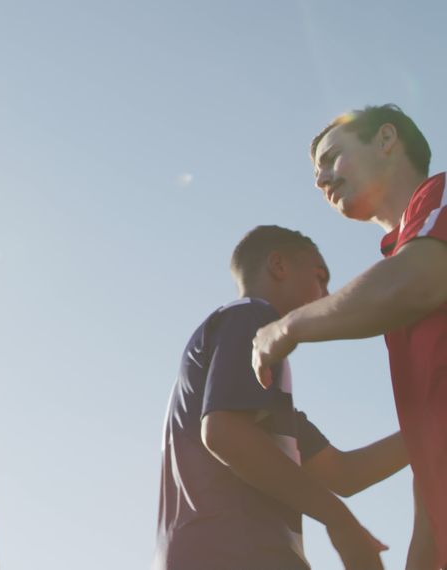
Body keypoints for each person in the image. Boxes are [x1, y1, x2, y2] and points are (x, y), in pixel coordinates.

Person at [252, 104, 447, 569]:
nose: (321, 180)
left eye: (332, 157)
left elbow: (417, 279)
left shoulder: (440, 202)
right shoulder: (397, 280)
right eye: (316, 173)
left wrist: (288, 326)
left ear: (385, 139)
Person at [154, 225, 409, 570]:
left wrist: (432, 428)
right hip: (232, 556)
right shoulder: (250, 315)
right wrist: (341, 522)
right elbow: (223, 433)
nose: (326, 293)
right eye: (320, 277)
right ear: (279, 266)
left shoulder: (263, 401)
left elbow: (345, 474)